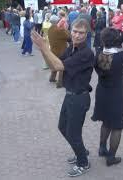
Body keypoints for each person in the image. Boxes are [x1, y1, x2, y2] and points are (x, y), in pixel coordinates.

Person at [32, 18, 94, 177]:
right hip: (70, 95)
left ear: (87, 34)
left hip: (79, 99)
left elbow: (60, 66)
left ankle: (83, 162)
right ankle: (81, 151)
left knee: (73, 134)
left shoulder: (86, 53)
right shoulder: (71, 48)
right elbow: (54, 65)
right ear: (70, 31)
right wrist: (42, 50)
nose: (77, 35)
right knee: (62, 127)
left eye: (81, 33)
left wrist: (44, 47)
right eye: (74, 31)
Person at [92, 26, 123, 166]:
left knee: (106, 122)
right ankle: (111, 157)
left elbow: (111, 42)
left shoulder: (98, 54)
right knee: (117, 126)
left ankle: (102, 148)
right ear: (116, 41)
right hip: (115, 96)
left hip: (101, 93)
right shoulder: (122, 57)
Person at [48, 15, 70, 88]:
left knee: (55, 64)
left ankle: (52, 78)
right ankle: (60, 82)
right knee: (61, 66)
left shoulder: (50, 29)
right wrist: (65, 29)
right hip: (61, 51)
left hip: (53, 50)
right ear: (57, 21)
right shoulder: (60, 30)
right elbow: (68, 38)